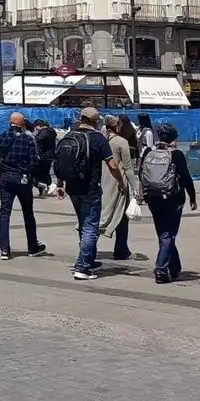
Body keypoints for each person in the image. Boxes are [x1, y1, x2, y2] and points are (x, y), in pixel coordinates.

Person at [53, 107, 123, 280]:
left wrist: (60, 184)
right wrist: (121, 183)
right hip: (90, 188)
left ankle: (89, 260)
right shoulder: (98, 138)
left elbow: (60, 162)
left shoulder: (69, 136)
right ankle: (83, 267)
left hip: (72, 188)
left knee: (84, 225)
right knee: (91, 227)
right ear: (96, 122)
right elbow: (112, 165)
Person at [136, 122, 197, 283]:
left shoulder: (148, 151)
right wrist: (192, 197)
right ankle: (161, 269)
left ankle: (174, 267)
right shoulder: (176, 154)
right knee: (168, 234)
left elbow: (141, 173)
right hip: (173, 198)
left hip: (153, 197)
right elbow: (186, 177)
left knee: (163, 233)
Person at [0, 112, 43, 260]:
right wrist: (31, 176)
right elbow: (34, 161)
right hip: (22, 178)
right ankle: (32, 246)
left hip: (5, 178)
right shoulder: (28, 139)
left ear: (10, 122)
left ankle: (5, 250)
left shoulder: (1, 136)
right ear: (22, 124)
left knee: (4, 213)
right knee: (28, 212)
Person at [97, 116, 135, 260]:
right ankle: (121, 249)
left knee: (100, 214)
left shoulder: (100, 141)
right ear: (118, 126)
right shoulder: (121, 142)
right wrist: (135, 188)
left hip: (101, 181)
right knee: (121, 217)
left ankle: (89, 247)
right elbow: (128, 168)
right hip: (118, 183)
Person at [31, 119, 57, 197]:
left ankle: (50, 184)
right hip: (50, 155)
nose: (36, 129)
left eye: (36, 127)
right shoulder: (51, 131)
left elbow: (38, 140)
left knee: (38, 172)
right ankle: (49, 186)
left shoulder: (44, 132)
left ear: (39, 125)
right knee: (45, 172)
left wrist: (35, 136)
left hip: (44, 156)